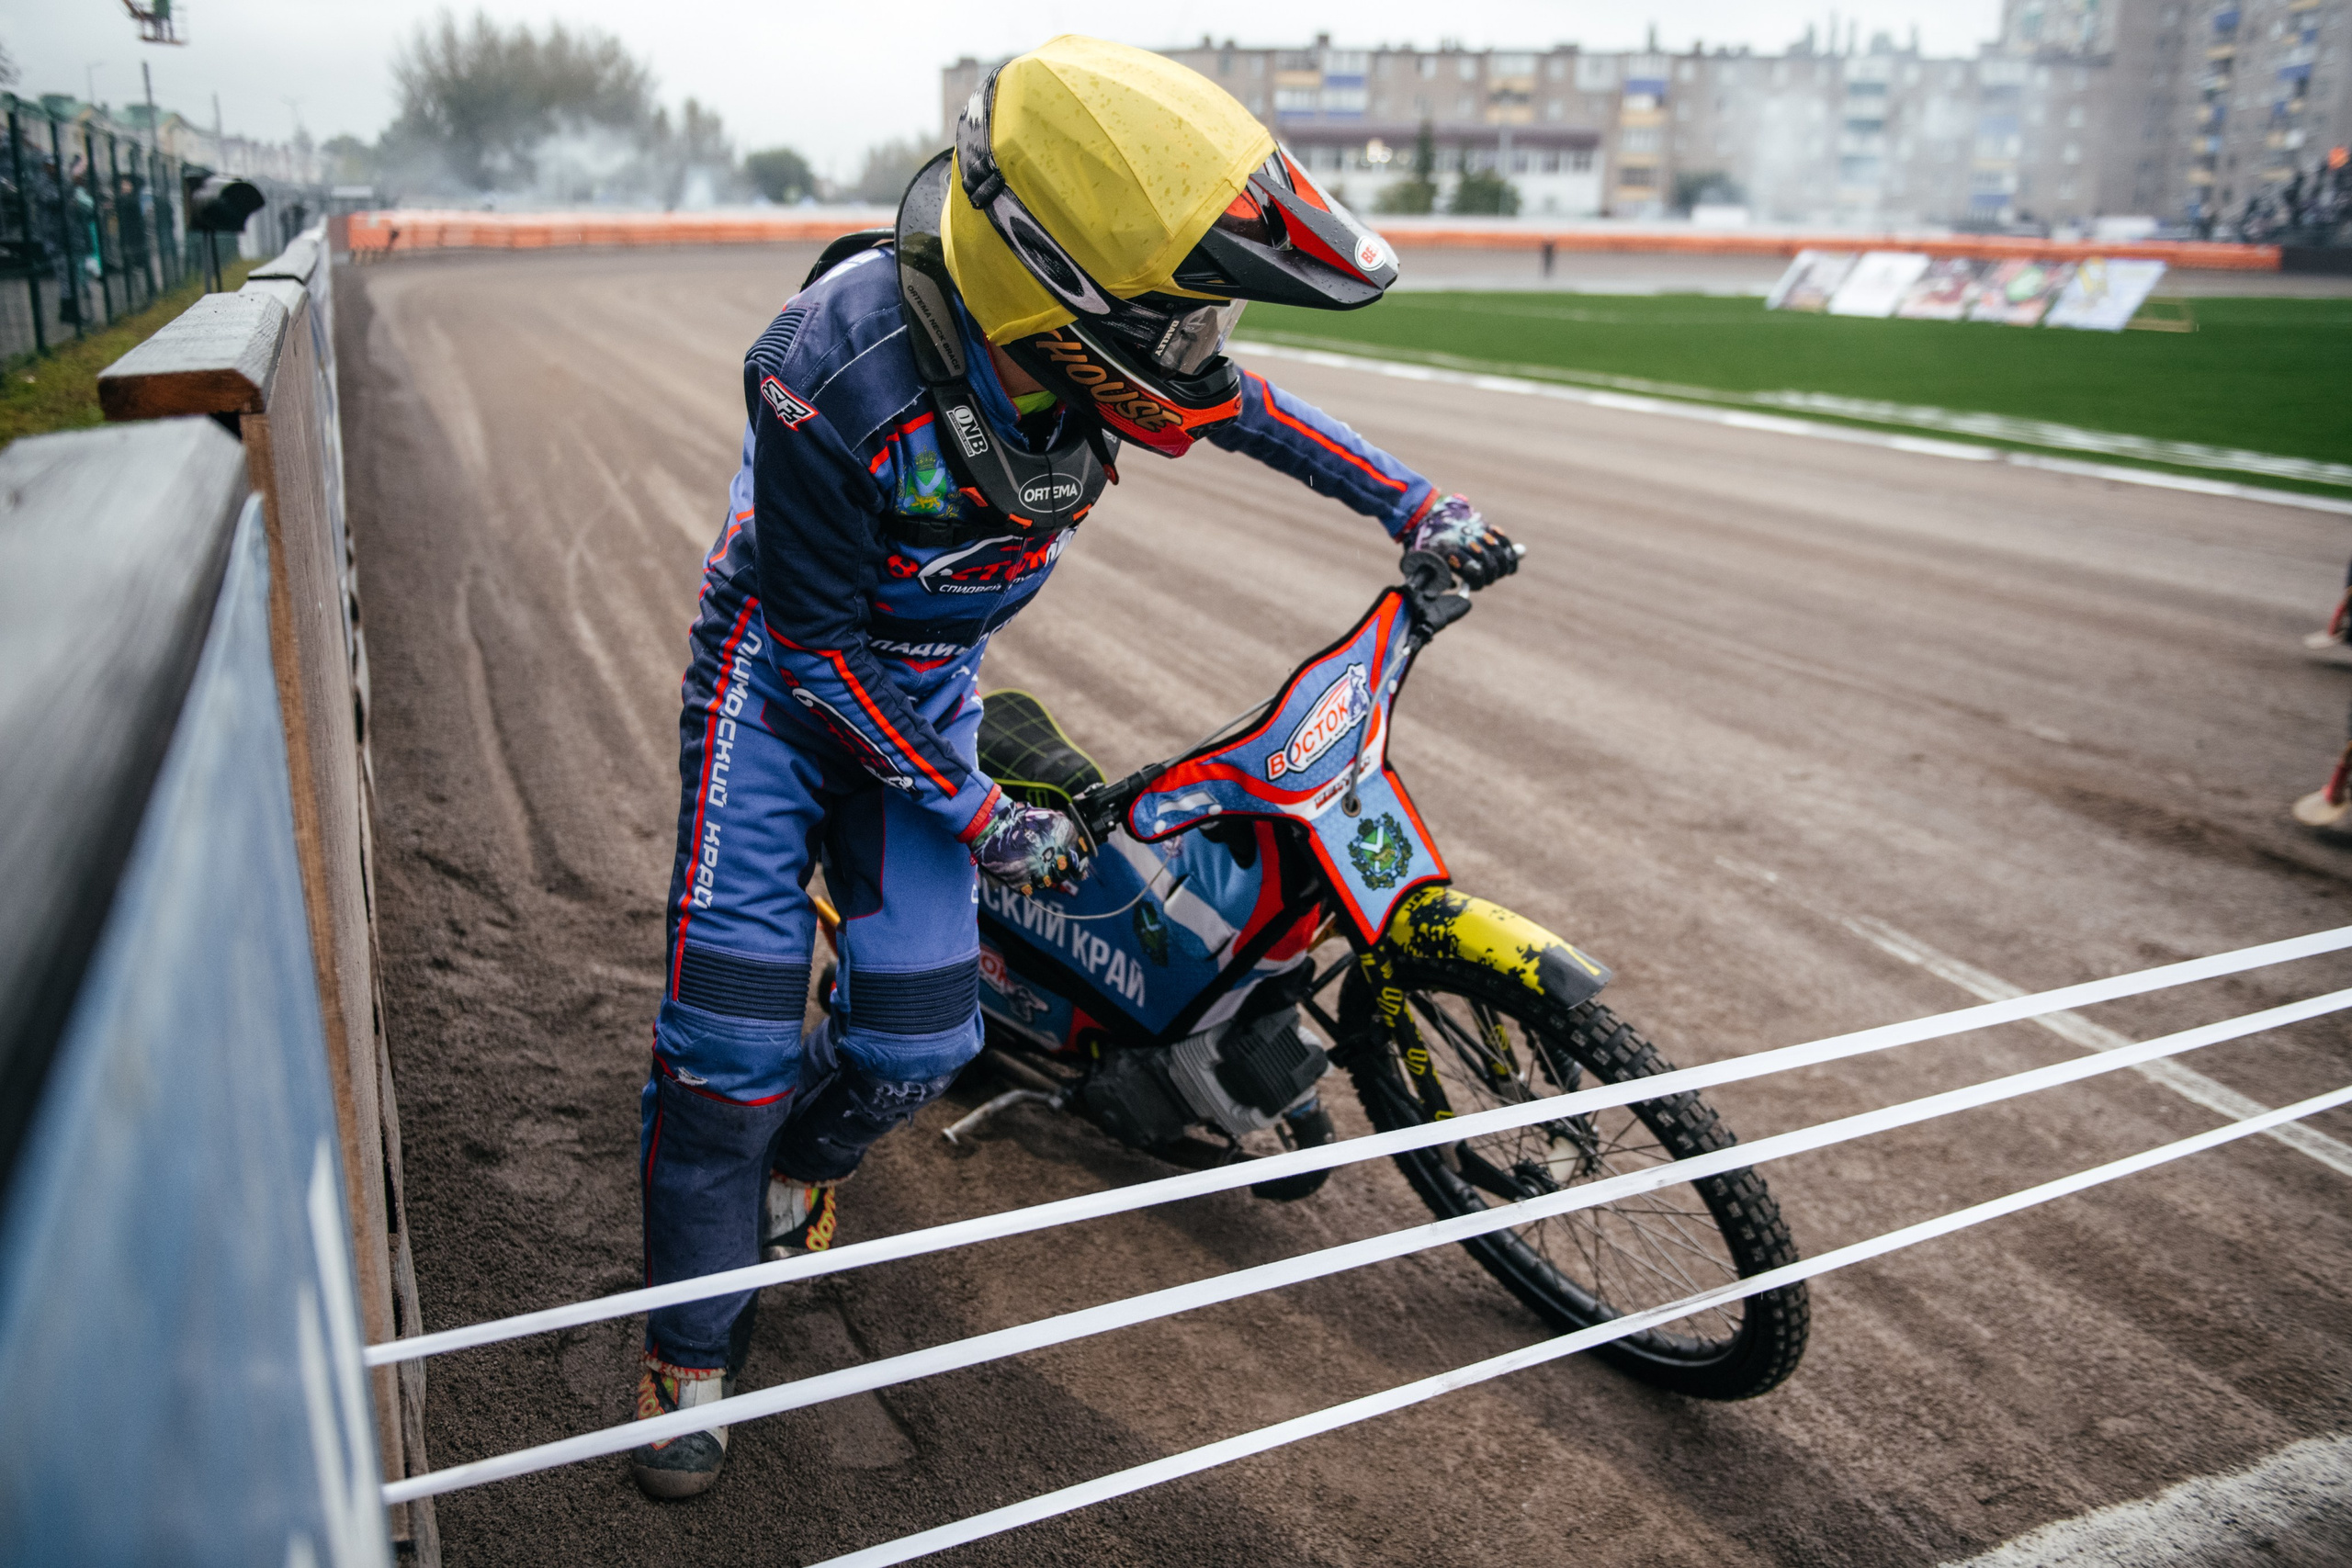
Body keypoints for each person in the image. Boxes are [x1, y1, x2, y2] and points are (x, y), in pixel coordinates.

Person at [628, 34, 1519, 1498]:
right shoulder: (820, 374)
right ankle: (688, 1340)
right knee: (722, 1046)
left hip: (930, 695)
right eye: (1181, 319)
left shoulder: (1094, 357)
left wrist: (1417, 507)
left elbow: (1261, 415)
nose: (1203, 351)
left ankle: (786, 1166)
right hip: (782, 699)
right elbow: (815, 658)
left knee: (913, 1045)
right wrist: (978, 815)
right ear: (1052, 292)